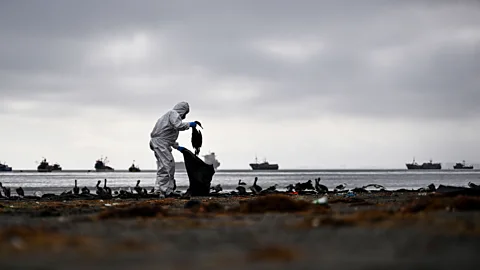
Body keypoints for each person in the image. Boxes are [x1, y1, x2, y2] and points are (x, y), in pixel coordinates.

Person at [149, 101, 198, 197]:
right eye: (185, 113)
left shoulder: (168, 116)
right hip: (161, 143)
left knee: (163, 167)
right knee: (168, 166)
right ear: (183, 110)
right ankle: (165, 191)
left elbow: (167, 135)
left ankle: (159, 190)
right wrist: (189, 125)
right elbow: (178, 126)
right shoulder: (173, 114)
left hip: (160, 143)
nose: (185, 116)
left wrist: (177, 147)